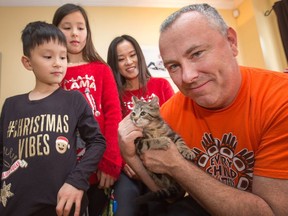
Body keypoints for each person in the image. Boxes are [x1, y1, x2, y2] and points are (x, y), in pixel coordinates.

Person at [118, 3, 288, 216]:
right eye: (173, 66)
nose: (187, 77)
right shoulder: (170, 114)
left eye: (197, 53)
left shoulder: (280, 99)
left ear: (231, 42)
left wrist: (178, 165)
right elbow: (170, 195)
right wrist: (130, 155)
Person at [0, 21, 106, 216]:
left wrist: (77, 180)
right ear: (28, 62)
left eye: (63, 57)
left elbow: (97, 141)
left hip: (62, 205)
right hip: (15, 207)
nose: (58, 63)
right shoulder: (11, 105)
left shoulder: (74, 100)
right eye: (48, 56)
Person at [52, 4, 122, 215]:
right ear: (56, 30)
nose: (75, 33)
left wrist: (111, 162)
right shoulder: (53, 71)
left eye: (80, 27)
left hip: (98, 168)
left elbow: (113, 115)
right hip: (62, 169)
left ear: (87, 32)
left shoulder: (101, 69)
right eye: (67, 27)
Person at [107, 34, 174, 215]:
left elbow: (174, 128)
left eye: (132, 55)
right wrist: (124, 163)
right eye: (121, 59)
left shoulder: (161, 85)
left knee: (160, 207)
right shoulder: (114, 95)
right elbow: (111, 133)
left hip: (161, 166)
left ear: (139, 55)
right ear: (115, 65)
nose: (129, 62)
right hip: (128, 168)